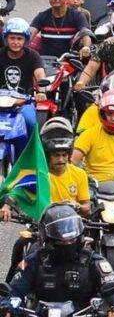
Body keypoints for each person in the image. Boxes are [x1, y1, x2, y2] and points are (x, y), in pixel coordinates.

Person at [2, 118, 90, 281]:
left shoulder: (79, 174)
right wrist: (6, 207)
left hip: (71, 231)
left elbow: (87, 207)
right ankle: (11, 288)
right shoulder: (37, 175)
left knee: (89, 258)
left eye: (64, 155)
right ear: (47, 155)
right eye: (56, 155)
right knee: (22, 244)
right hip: (41, 230)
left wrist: (77, 205)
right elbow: (17, 192)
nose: (61, 159)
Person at [0, 18, 47, 134]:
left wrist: (41, 91)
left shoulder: (33, 56)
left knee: (31, 122)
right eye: (12, 38)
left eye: (19, 38)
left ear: (25, 40)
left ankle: (31, 151)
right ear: (6, 39)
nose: (16, 42)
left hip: (24, 102)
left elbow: (40, 75)